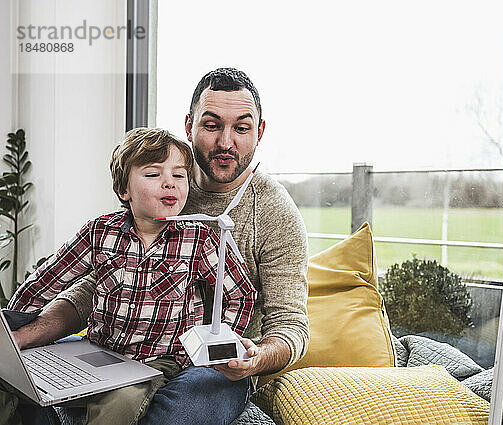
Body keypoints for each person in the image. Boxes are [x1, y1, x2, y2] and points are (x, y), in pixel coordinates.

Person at [9, 68, 310, 424]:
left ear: (259, 132)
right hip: (120, 345)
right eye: (212, 125)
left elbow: (290, 323)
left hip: (214, 363)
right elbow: (101, 278)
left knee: (176, 413)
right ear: (189, 125)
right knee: (22, 380)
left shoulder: (275, 214)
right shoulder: (156, 179)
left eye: (241, 128)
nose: (226, 142)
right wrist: (27, 332)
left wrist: (255, 357)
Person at [2, 127, 256, 425]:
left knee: (120, 402)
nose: (169, 184)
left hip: (159, 362)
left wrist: (217, 341)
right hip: (97, 349)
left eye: (179, 175)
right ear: (125, 190)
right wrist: (11, 330)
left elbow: (240, 294)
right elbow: (46, 281)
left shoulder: (198, 238)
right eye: (153, 174)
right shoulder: (100, 231)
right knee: (12, 374)